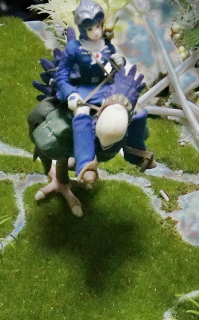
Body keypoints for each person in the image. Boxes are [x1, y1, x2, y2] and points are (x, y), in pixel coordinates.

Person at [56, 0, 125, 183]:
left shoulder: (107, 45)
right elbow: (61, 75)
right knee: (82, 113)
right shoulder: (74, 48)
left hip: (106, 89)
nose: (96, 32)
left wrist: (119, 63)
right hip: (84, 89)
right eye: (90, 28)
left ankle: (135, 151)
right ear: (82, 29)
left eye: (98, 26)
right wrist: (70, 93)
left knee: (128, 109)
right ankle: (85, 163)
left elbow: (112, 69)